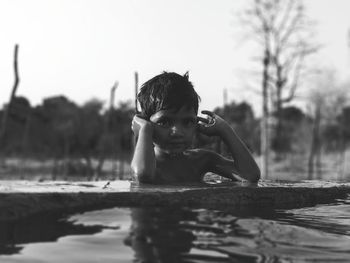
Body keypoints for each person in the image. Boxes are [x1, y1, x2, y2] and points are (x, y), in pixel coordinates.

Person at [131, 71, 260, 184]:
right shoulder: (147, 164)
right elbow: (143, 175)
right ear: (147, 123)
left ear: (196, 124)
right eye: (164, 122)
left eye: (187, 122)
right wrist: (144, 129)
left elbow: (249, 176)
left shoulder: (201, 160)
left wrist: (225, 130)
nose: (177, 132)